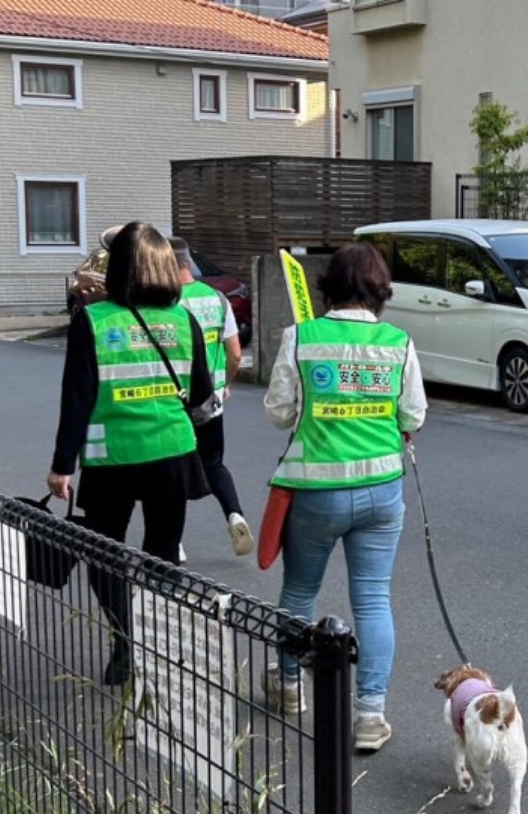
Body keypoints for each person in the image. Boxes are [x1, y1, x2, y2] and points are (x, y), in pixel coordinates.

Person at [263, 243, 427, 752]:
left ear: (328, 284)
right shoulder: (399, 342)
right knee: (373, 599)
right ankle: (370, 716)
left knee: (299, 592)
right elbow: (413, 416)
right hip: (381, 489)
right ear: (379, 288)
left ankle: (290, 687)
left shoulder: (301, 337)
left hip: (316, 490)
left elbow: (279, 411)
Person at [46, 221, 213, 686]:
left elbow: (76, 397)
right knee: (161, 554)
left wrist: (62, 465)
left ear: (118, 268)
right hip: (172, 453)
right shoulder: (185, 320)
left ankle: (125, 642)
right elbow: (201, 393)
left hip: (111, 458)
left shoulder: (94, 320)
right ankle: (157, 645)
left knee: (105, 553)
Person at [171, 235, 255, 557]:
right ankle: (235, 514)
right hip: (212, 401)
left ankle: (174, 542)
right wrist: (224, 384)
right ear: (189, 262)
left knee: (176, 469)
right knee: (214, 463)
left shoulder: (167, 302)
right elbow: (235, 354)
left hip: (176, 401)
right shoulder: (217, 299)